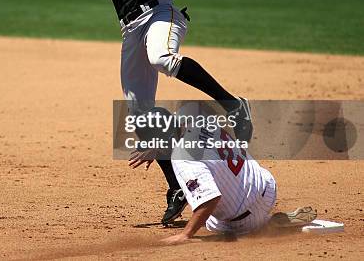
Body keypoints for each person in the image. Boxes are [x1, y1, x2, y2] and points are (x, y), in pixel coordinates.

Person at [27, 0, 253, 225]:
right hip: (130, 28)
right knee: (139, 113)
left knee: (161, 58)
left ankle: (232, 103)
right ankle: (177, 187)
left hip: (161, 13)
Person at [128, 103, 316, 245]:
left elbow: (210, 199)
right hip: (265, 183)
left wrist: (185, 235)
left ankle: (267, 225)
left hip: (247, 217)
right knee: (216, 178)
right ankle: (259, 218)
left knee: (212, 223)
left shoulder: (182, 158)